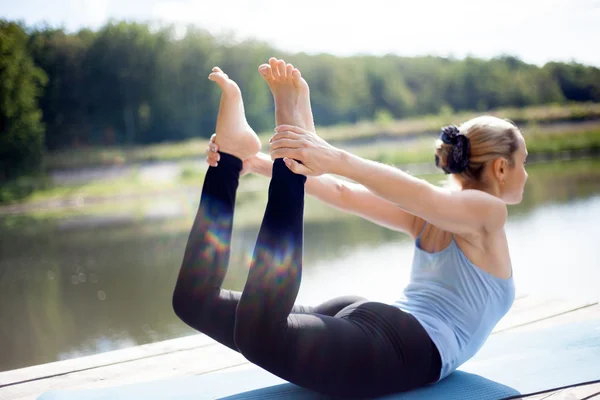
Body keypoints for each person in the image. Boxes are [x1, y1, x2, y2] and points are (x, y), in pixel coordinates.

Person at [173, 57, 526, 398]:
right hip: (399, 346)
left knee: (193, 301)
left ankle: (229, 160)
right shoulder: (489, 213)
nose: (524, 173)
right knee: (257, 335)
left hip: (370, 327)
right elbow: (416, 195)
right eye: (522, 162)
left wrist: (248, 163)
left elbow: (348, 193)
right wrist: (301, 158)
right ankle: (288, 141)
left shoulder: (439, 215)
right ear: (499, 168)